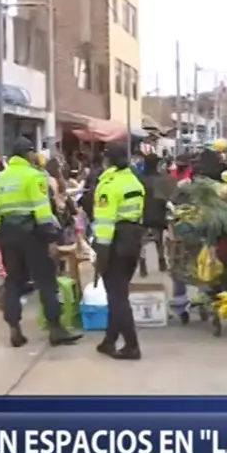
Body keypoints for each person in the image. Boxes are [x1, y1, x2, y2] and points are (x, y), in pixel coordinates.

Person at [0, 136, 82, 348]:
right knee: (46, 281)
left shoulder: (0, 179)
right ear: (27, 153)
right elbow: (42, 211)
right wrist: (50, 238)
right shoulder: (35, 176)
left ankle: (14, 327)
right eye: (33, 152)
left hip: (7, 234)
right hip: (32, 235)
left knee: (13, 280)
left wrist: (0, 235)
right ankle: (56, 329)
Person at [92, 141, 146, 360]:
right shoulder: (134, 181)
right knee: (119, 292)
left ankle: (132, 345)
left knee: (117, 297)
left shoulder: (108, 186)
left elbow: (105, 223)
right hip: (133, 241)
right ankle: (109, 341)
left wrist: (101, 252)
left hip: (114, 242)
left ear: (108, 159)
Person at [138, 153, 176, 276]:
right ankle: (162, 262)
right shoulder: (162, 179)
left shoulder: (140, 179)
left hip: (143, 213)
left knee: (142, 240)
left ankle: (143, 266)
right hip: (158, 212)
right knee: (158, 239)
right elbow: (167, 198)